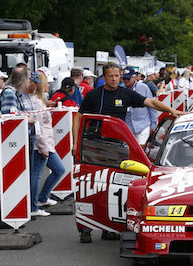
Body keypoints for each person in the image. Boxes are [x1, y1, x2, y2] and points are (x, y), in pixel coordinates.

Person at [73, 62, 185, 243]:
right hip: (94, 146)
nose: (114, 79)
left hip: (117, 148)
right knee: (90, 184)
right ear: (104, 77)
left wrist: (171, 110)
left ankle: (108, 226)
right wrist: (75, 143)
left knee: (111, 186)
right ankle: (85, 227)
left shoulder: (125, 93)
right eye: (110, 76)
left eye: (117, 76)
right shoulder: (94, 95)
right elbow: (79, 117)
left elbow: (151, 102)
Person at [28, 72, 66, 217]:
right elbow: (38, 127)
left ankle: (41, 199)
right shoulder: (37, 102)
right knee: (37, 175)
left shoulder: (38, 101)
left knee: (58, 170)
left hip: (45, 144)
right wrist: (44, 147)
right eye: (47, 83)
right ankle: (34, 206)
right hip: (42, 145)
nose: (49, 85)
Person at [1, 65, 37, 204]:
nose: (29, 81)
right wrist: (29, 119)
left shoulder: (15, 92)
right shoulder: (10, 93)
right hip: (15, 143)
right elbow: (9, 118)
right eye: (28, 78)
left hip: (19, 141)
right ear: (22, 80)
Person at [122, 66, 159, 146]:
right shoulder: (121, 89)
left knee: (140, 151)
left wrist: (153, 124)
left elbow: (152, 106)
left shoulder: (144, 87)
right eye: (124, 79)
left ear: (134, 77)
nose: (126, 81)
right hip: (127, 126)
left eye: (128, 79)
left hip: (143, 125)